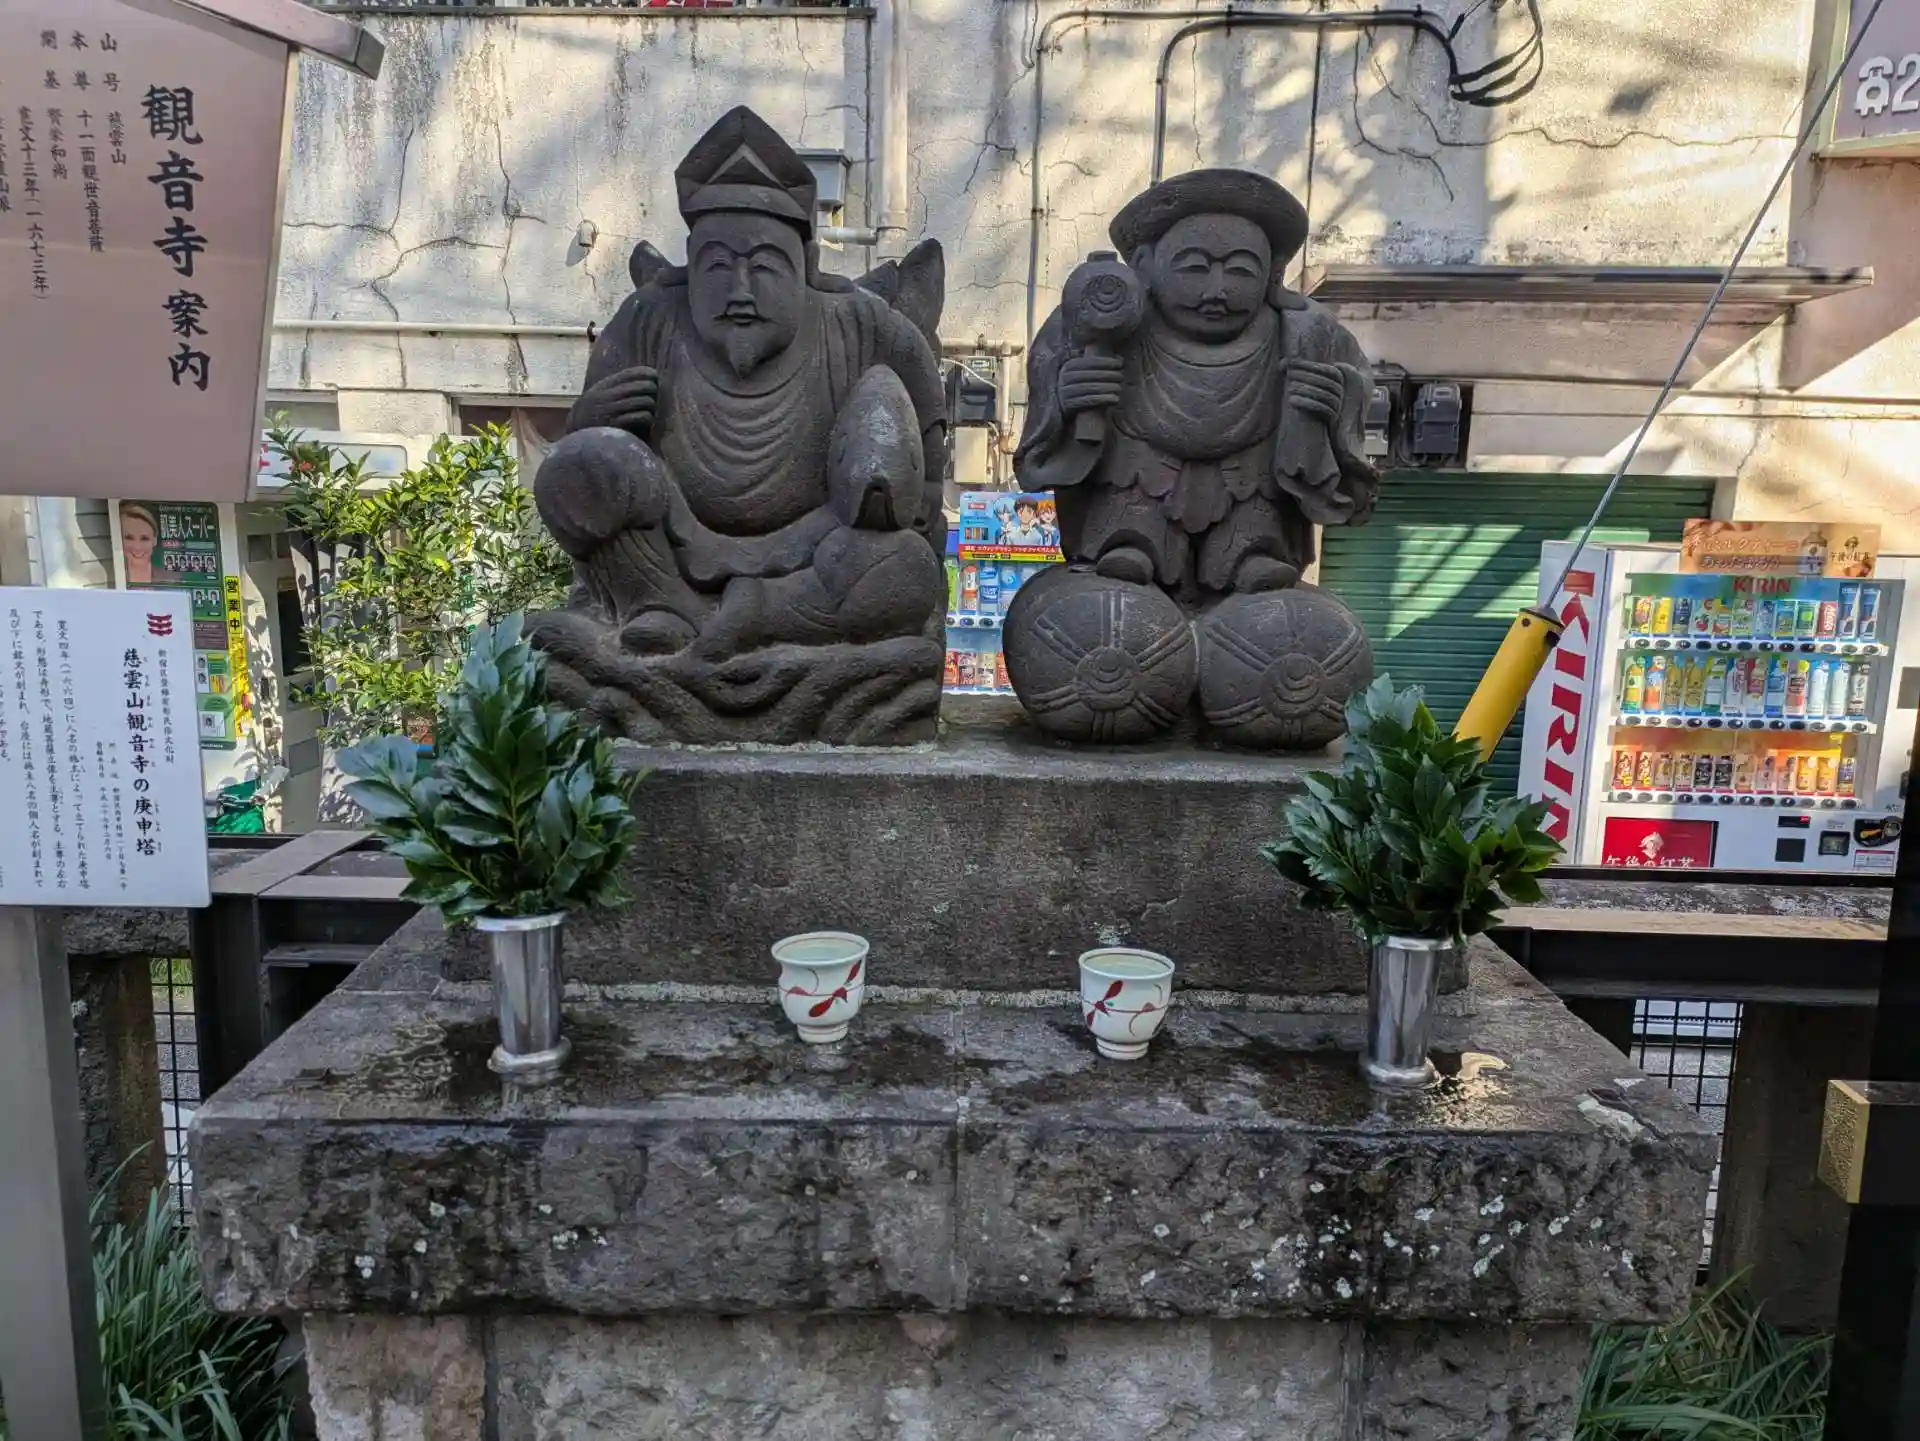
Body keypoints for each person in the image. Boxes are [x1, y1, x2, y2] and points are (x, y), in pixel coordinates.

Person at [1014, 168, 1377, 598]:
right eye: (1194, 268)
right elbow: (1048, 377)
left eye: (1240, 271)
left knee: (1257, 524)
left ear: (1273, 275)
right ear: (1146, 266)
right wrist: (1068, 395)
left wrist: (1334, 400)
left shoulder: (1306, 332)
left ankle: (1252, 552)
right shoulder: (1106, 321)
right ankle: (1129, 543)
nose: (1216, 291)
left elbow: (1356, 387)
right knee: (1128, 509)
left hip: (1252, 474)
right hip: (1136, 473)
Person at [120, 503, 159, 586]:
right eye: (129, 538)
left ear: (154, 540)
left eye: (145, 538)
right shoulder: (109, 579)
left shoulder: (172, 579)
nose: (137, 547)